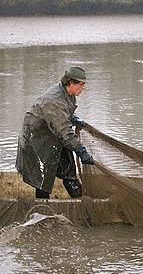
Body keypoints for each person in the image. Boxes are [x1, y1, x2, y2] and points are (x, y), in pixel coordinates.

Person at [16, 66, 95, 199]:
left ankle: (80, 202)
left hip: (50, 133)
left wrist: (73, 119)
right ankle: (42, 208)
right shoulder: (54, 100)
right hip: (35, 140)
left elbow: (63, 115)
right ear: (70, 82)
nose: (83, 88)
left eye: (84, 84)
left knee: (69, 172)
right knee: (43, 178)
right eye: (81, 84)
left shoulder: (68, 93)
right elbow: (65, 132)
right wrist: (81, 151)